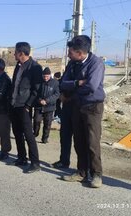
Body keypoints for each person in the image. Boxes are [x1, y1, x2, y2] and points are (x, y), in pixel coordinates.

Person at [60, 35, 106, 188]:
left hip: (92, 107)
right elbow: (63, 83)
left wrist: (72, 91)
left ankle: (96, 174)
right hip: (76, 106)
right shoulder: (72, 64)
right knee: (78, 140)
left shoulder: (96, 63)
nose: (68, 54)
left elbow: (91, 86)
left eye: (71, 52)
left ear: (80, 52)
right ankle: (81, 172)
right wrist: (76, 83)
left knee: (92, 142)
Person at [9, 42, 43, 173]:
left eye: (15, 52)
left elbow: (37, 89)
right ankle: (21, 157)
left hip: (24, 106)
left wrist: (28, 105)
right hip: (14, 104)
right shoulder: (18, 66)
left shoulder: (35, 67)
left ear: (21, 53)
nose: (14, 54)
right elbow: (15, 85)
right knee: (17, 132)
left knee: (29, 135)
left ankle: (35, 163)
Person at [32, 67, 60, 144]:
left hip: (50, 107)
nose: (45, 78)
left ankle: (45, 138)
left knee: (47, 123)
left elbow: (57, 94)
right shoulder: (38, 82)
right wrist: (40, 100)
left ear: (50, 75)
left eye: (47, 76)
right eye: (44, 76)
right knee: (36, 121)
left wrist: (47, 100)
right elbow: (34, 93)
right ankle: (35, 134)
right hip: (39, 105)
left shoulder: (55, 83)